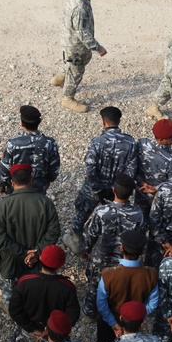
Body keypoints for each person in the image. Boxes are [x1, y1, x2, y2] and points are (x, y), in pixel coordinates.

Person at [64, 106, 137, 252]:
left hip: (94, 188)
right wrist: (115, 188)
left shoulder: (97, 142)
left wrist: (97, 188)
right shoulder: (130, 142)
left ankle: (76, 241)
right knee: (114, 216)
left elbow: (90, 168)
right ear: (119, 121)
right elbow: (131, 170)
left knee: (83, 212)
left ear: (103, 122)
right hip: (116, 190)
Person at [0, 163, 61, 305]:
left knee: (10, 290)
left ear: (12, 182)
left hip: (11, 261)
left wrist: (22, 253)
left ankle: (12, 309)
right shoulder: (46, 203)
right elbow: (53, 232)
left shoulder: (2, 206)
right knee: (37, 288)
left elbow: (0, 237)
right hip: (39, 260)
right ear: (31, 180)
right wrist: (36, 252)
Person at [79, 174, 145, 319]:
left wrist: (85, 250)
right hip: (123, 259)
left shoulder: (102, 211)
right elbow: (139, 237)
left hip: (100, 258)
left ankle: (90, 311)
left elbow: (90, 234)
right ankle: (115, 311)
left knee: (94, 286)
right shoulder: (138, 214)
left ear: (113, 190)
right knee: (118, 288)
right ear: (131, 193)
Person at [94, 230, 159, 342]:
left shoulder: (108, 274)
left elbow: (101, 303)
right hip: (134, 323)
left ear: (121, 248)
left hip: (110, 318)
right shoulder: (151, 274)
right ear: (142, 252)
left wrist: (114, 324)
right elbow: (153, 303)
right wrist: (137, 316)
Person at [8, 246, 81, 342]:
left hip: (30, 335)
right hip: (57, 337)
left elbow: (14, 310)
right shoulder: (67, 288)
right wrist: (51, 333)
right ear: (61, 264)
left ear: (41, 258)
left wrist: (32, 329)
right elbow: (73, 315)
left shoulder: (25, 283)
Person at [52, 0, 107, 113]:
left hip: (68, 38)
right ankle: (67, 98)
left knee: (72, 63)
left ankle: (60, 78)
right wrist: (98, 47)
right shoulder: (79, 8)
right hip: (76, 45)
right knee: (77, 70)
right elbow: (82, 33)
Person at [0, 105, 61, 194]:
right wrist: (48, 181)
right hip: (39, 187)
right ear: (40, 121)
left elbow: (4, 169)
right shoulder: (49, 143)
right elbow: (54, 167)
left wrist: (1, 185)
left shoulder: (13, 144)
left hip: (16, 187)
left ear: (22, 124)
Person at [134, 119, 172, 220]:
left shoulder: (142, 144)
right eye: (171, 136)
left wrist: (140, 181)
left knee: (139, 218)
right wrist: (155, 188)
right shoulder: (171, 160)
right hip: (158, 197)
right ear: (161, 140)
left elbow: (132, 164)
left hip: (141, 189)